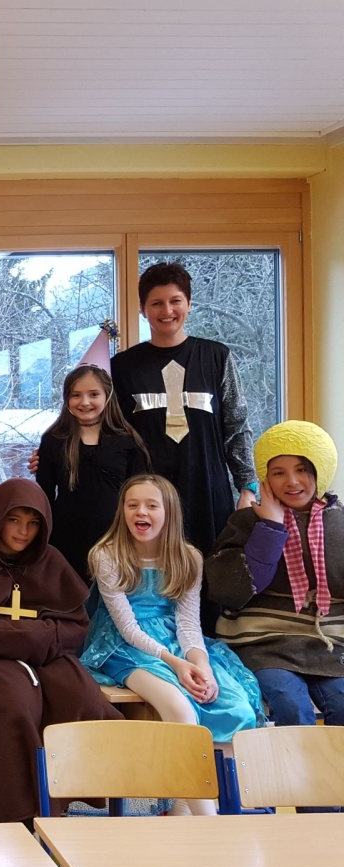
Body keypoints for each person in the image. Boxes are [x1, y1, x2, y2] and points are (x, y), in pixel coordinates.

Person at [82, 474, 263, 814]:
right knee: (180, 708)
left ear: (169, 513)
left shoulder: (188, 557)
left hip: (177, 641)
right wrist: (176, 664)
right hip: (123, 647)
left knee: (234, 707)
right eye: (132, 505)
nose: (141, 512)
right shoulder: (106, 555)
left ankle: (197, 811)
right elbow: (128, 628)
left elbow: (188, 624)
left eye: (152, 505)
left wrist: (201, 665)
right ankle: (211, 823)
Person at [0, 478, 122, 826]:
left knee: (85, 701)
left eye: (33, 523)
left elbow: (75, 626)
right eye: (14, 520)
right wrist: (34, 634)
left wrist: (7, 634)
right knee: (12, 707)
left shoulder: (50, 559)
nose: (23, 531)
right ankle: (20, 816)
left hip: (47, 656)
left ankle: (62, 802)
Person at [111, 263, 256, 628]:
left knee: (208, 578)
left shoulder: (216, 357)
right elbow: (107, 429)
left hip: (207, 488)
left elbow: (236, 425)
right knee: (152, 581)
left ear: (189, 304)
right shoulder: (122, 367)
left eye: (175, 301)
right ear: (143, 309)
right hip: (148, 495)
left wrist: (247, 484)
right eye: (156, 303)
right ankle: (156, 647)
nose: (167, 311)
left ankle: (206, 649)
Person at [208, 421, 344, 733]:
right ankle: (291, 768)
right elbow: (228, 591)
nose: (292, 482)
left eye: (302, 469)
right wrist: (270, 528)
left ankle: (332, 768)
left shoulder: (339, 523)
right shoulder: (245, 522)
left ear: (321, 470)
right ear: (265, 478)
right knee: (290, 705)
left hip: (329, 646)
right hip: (263, 645)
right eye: (279, 472)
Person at [36, 354, 150, 580]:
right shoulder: (54, 439)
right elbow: (44, 495)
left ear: (107, 396)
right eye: (76, 395)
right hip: (65, 540)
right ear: (66, 399)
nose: (85, 402)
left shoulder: (127, 440)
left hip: (116, 539)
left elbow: (140, 493)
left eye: (94, 394)